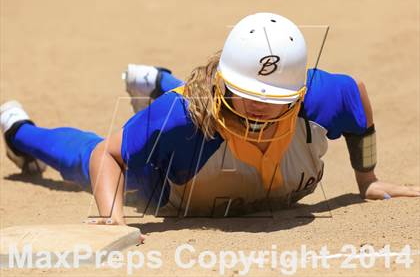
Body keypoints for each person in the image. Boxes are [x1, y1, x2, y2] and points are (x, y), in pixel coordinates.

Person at [1, 13, 419, 226]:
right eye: (247, 92)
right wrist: (112, 217)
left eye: (270, 97)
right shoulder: (181, 120)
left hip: (208, 141)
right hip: (171, 185)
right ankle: (20, 131)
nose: (257, 105)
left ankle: (159, 79)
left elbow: (358, 98)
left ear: (298, 94)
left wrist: (369, 179)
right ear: (224, 82)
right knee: (82, 158)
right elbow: (106, 155)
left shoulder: (325, 98)